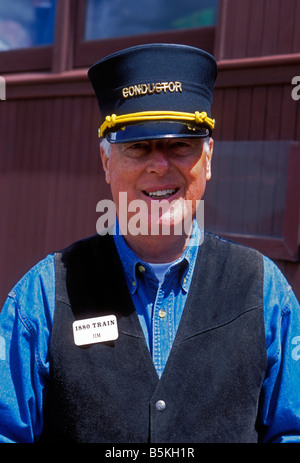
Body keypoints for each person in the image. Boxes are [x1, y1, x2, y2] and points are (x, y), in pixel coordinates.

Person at [0, 43, 300, 443]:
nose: (159, 165)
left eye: (180, 144)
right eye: (138, 146)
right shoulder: (41, 297)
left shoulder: (266, 292)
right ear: (107, 162)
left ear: (207, 158)